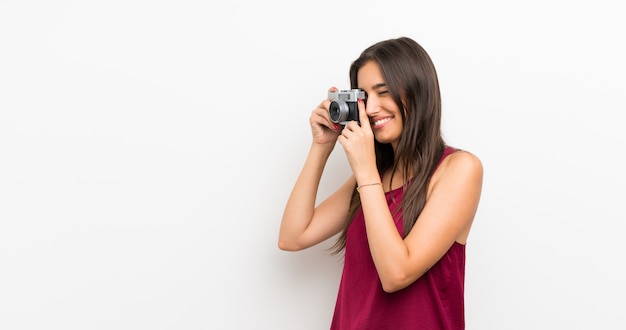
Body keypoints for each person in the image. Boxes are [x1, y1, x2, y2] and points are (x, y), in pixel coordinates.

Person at [278, 36, 483, 330]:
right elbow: (293, 236)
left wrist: (366, 173)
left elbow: (396, 274)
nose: (371, 109)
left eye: (383, 92)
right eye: (364, 96)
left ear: (418, 91)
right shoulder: (372, 177)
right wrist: (321, 146)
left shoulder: (458, 169)